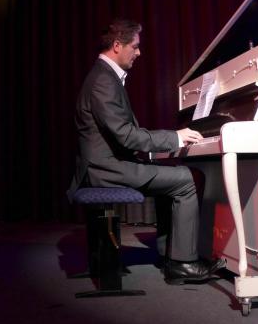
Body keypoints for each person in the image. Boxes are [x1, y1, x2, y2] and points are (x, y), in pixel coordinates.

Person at [67, 19, 221, 284]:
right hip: (105, 170)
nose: (139, 53)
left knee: (170, 177)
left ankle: (168, 255)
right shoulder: (103, 80)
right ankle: (182, 263)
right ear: (117, 45)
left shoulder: (104, 77)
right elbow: (126, 135)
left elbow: (122, 133)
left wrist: (166, 142)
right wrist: (175, 137)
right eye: (135, 46)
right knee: (185, 180)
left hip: (108, 164)